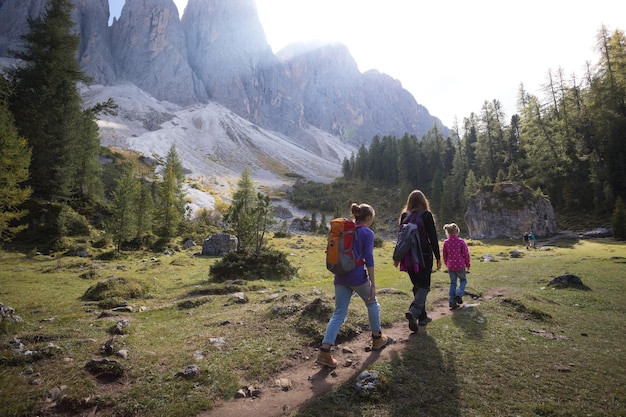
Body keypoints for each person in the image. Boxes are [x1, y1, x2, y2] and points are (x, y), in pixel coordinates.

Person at [316, 203, 387, 368]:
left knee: (338, 313)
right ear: (368, 218)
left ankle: (325, 351)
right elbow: (368, 259)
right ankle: (377, 339)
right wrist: (373, 284)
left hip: (340, 276)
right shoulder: (367, 233)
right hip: (357, 277)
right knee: (372, 303)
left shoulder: (344, 231)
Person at [394, 190, 441, 332]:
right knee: (424, 286)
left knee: (417, 286)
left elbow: (401, 239)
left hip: (408, 257)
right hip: (424, 255)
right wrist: (438, 257)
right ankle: (414, 312)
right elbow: (432, 237)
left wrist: (397, 257)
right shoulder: (426, 215)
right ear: (423, 201)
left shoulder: (404, 216)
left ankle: (422, 317)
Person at [442, 223, 471, 310]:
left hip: (451, 266)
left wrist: (447, 263)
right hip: (460, 265)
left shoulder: (446, 243)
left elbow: (444, 255)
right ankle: (459, 293)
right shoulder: (461, 242)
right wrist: (468, 263)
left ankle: (452, 302)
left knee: (453, 283)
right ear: (457, 231)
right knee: (463, 280)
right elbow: (466, 254)